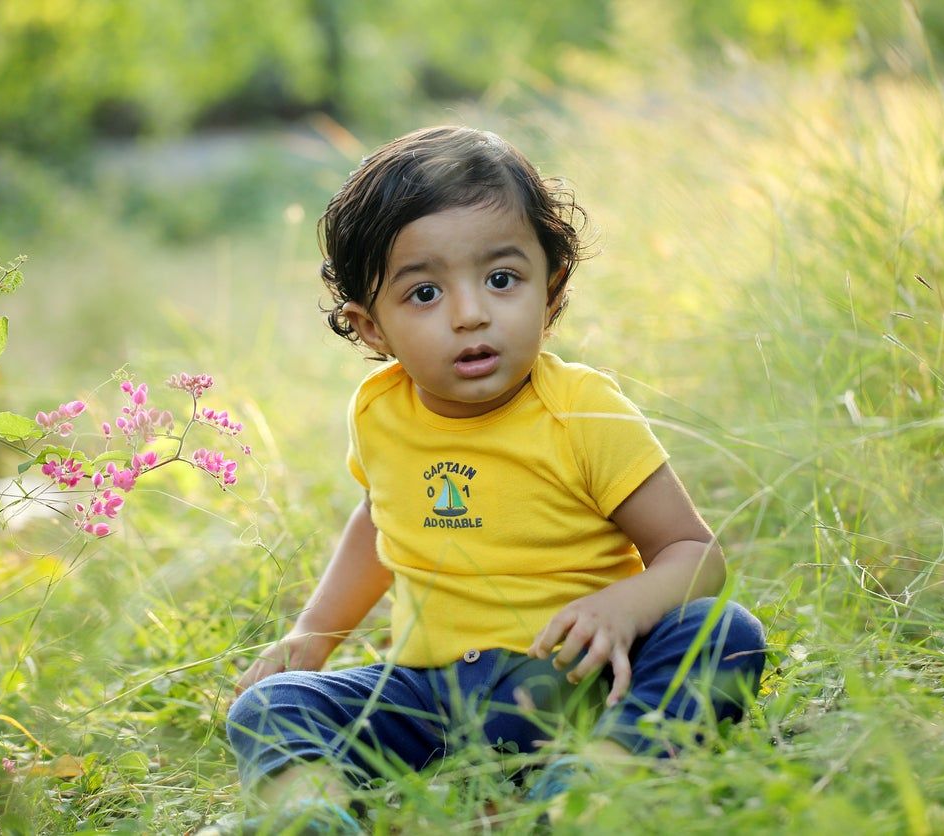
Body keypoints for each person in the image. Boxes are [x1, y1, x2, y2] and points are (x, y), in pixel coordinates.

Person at [223, 126, 766, 832]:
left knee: (724, 633)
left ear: (552, 288)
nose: (471, 313)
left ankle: (595, 783)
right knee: (271, 704)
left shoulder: (581, 410)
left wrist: (624, 606)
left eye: (501, 279)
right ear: (371, 327)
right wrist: (316, 632)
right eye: (423, 293)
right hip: (429, 697)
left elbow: (696, 556)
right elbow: (379, 516)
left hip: (579, 678)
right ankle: (312, 813)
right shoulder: (380, 410)